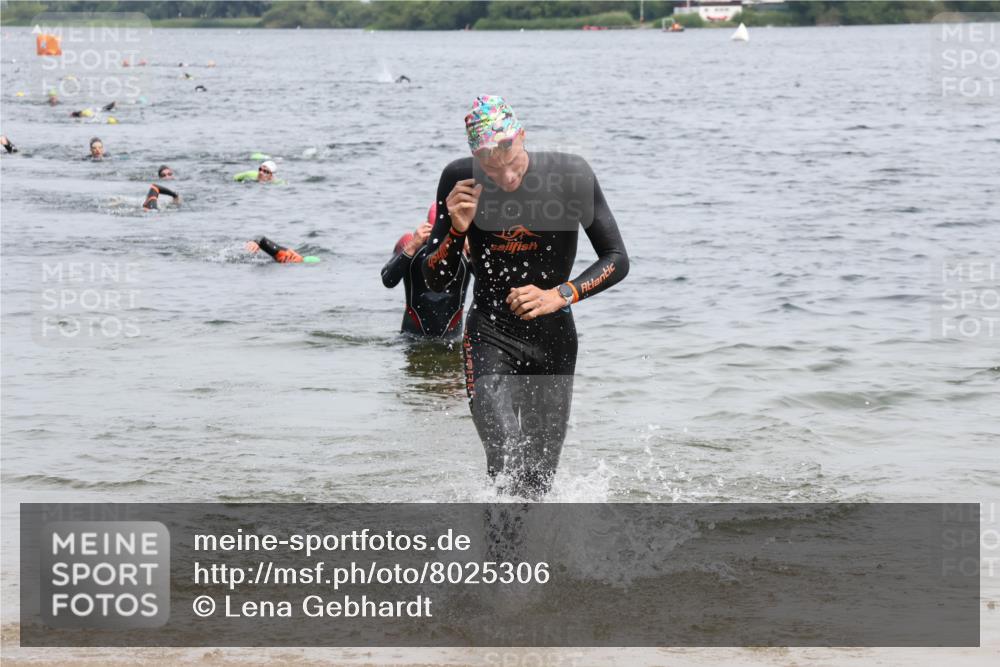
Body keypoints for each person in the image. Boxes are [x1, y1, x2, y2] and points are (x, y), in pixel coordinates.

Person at [421, 95, 628, 498]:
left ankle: (531, 541)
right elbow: (437, 280)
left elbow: (617, 258)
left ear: (522, 137)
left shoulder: (570, 175)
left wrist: (561, 294)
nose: (506, 176)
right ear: (476, 157)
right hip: (489, 332)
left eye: (511, 160)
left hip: (553, 338)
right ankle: (500, 540)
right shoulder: (459, 179)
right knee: (504, 459)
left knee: (537, 479)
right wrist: (457, 229)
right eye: (491, 167)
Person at [382, 202, 472, 338]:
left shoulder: (464, 247)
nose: (439, 244)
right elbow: (388, 280)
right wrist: (412, 246)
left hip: (452, 339)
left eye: (444, 235)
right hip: (411, 337)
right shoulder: (410, 243)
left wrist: (471, 250)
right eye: (435, 234)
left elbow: (488, 283)